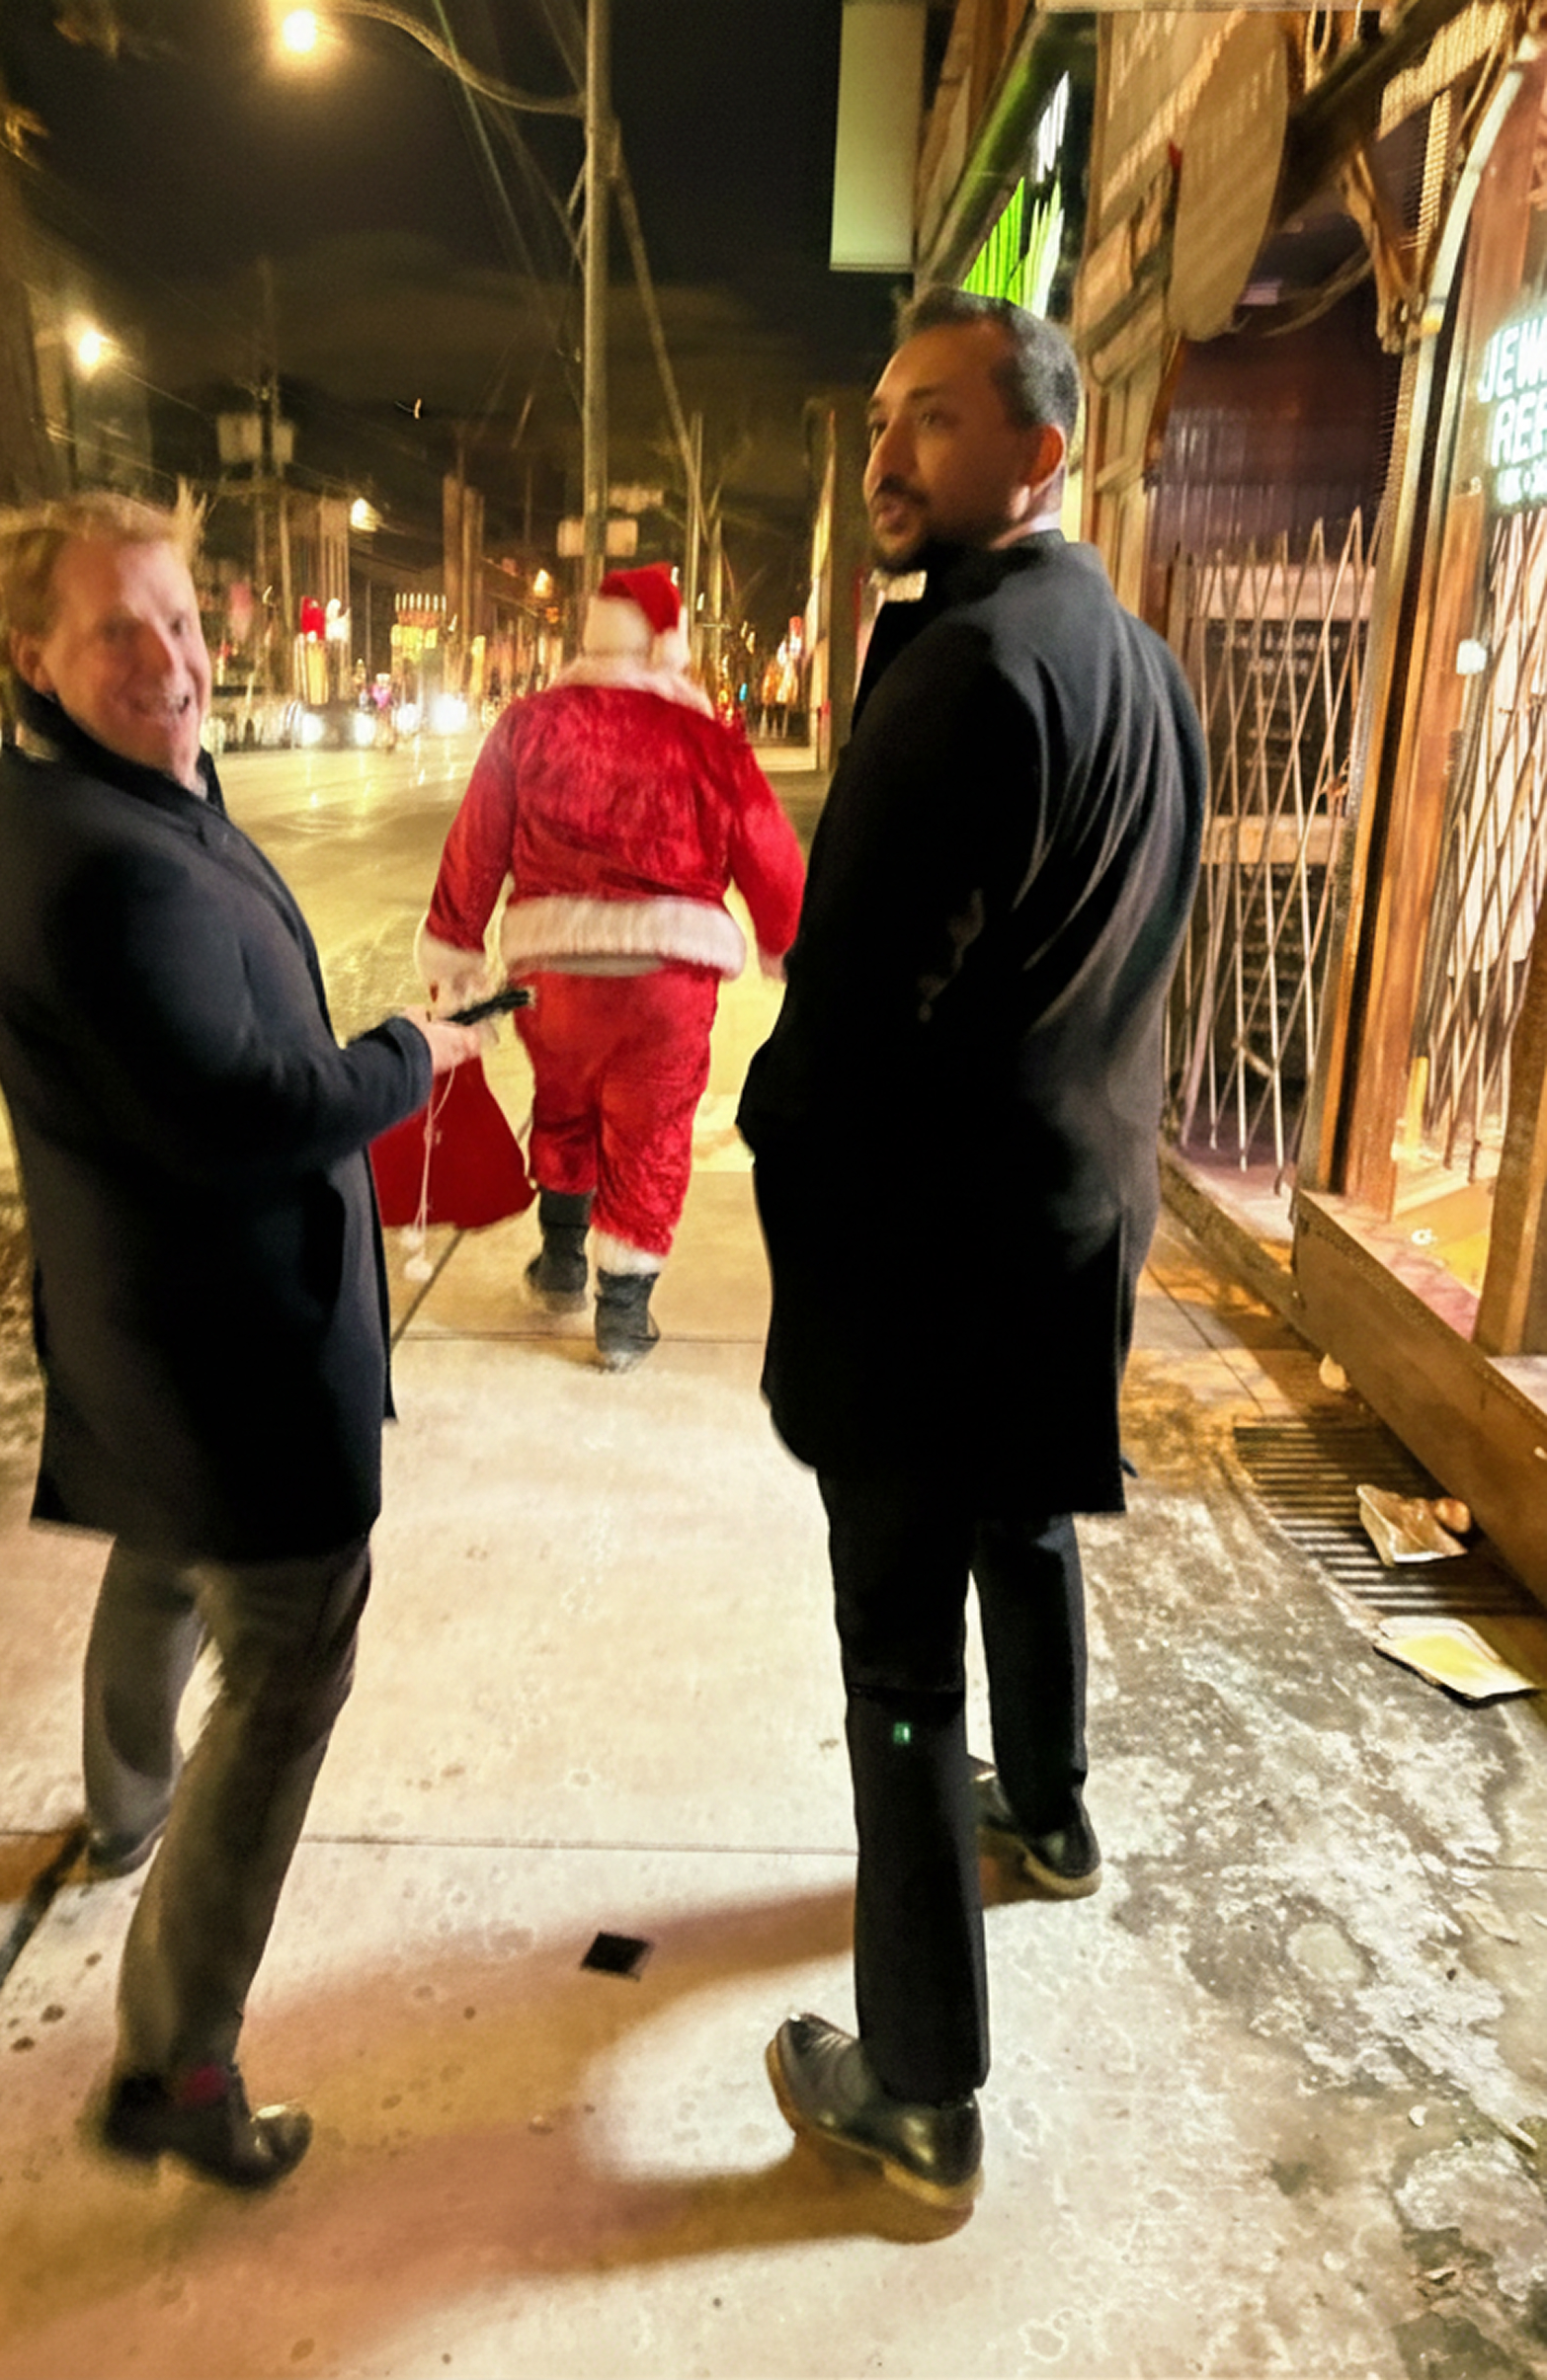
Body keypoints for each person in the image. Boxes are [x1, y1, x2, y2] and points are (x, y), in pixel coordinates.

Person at [737, 291, 1205, 2216]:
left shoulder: (964, 679)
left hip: (933, 1265)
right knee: (1027, 1525)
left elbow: (844, 1026)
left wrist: (775, 1150)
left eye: (931, 419)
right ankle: (1059, 1810)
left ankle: (918, 2088)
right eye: (881, 416)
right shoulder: (1135, 663)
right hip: (1071, 1223)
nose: (887, 452)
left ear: (1039, 453)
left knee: (895, 1670)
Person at [0, 491, 481, 2189]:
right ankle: (174, 2067)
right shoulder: (103, 867)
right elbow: (253, 1114)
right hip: (231, 1358)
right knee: (282, 1674)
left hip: (165, 1344)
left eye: (182, 621)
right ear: (29, 652)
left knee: (162, 1562)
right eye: (120, 630)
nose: (170, 661)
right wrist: (416, 1055)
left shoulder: (111, 790)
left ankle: (122, 1809)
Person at [417, 566, 805, 1368]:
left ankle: (560, 1261)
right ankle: (623, 1312)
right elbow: (766, 850)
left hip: (551, 974)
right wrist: (789, 941)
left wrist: (456, 947)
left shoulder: (529, 724)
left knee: (563, 1106)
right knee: (651, 1133)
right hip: (669, 982)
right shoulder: (707, 741)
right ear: (669, 644)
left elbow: (477, 841)